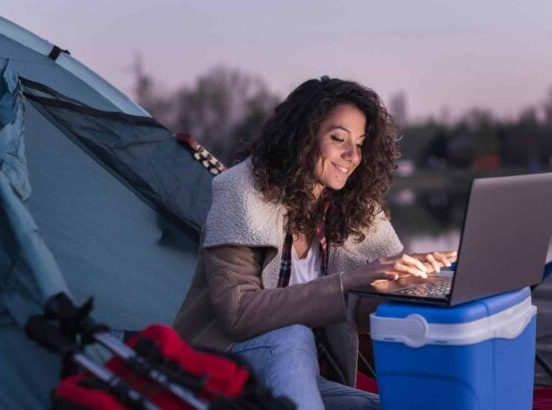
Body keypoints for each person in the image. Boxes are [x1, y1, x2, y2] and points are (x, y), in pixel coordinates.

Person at [173, 76, 456, 409]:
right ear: (301, 137)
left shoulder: (351, 205)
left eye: (360, 143)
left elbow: (357, 313)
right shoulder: (241, 191)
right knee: (293, 335)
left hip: (301, 375)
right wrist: (350, 281)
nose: (352, 155)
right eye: (338, 138)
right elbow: (239, 314)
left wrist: (406, 284)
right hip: (223, 367)